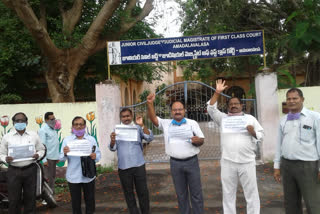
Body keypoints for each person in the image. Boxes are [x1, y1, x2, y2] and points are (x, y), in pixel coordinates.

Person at [207, 79, 264, 214]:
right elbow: (210, 108)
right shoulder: (223, 118)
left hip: (247, 161)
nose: (233, 106)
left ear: (241, 105)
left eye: (236, 103)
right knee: (228, 193)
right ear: (227, 106)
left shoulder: (250, 119)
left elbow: (261, 134)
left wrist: (253, 132)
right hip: (228, 161)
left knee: (251, 193)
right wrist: (217, 92)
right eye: (231, 104)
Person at [147, 93, 205, 214]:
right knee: (181, 194)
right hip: (175, 164)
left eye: (180, 109)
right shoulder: (166, 123)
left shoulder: (192, 123)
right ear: (171, 112)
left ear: (184, 110)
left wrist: (197, 141)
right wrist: (150, 103)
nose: (177, 112)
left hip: (192, 162)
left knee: (196, 194)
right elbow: (153, 119)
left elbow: (201, 140)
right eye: (175, 110)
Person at [274, 88, 320, 214]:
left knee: (313, 202)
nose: (291, 101)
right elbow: (279, 144)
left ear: (302, 99)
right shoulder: (283, 120)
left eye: (295, 98)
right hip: (287, 166)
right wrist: (277, 166)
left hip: (308, 166)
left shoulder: (315, 117)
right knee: (291, 203)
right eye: (289, 99)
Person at [109, 108, 154, 214]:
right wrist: (112, 141)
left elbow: (149, 138)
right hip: (123, 167)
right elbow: (112, 148)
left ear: (131, 116)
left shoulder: (138, 128)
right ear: (120, 118)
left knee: (143, 192)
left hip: (138, 165)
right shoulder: (117, 130)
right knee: (128, 193)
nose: (126, 118)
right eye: (123, 116)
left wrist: (142, 125)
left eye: (128, 116)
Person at [0, 112, 46, 214]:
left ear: (27, 122)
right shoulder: (7, 137)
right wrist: (5, 159)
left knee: (30, 198)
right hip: (13, 171)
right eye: (17, 121)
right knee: (14, 199)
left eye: (22, 120)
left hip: (30, 170)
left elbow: (41, 150)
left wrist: (38, 155)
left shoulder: (34, 135)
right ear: (13, 122)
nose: (20, 122)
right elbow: (1, 154)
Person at [60, 116, 101, 214]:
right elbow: (61, 159)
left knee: (90, 201)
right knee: (75, 203)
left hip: (88, 176)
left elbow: (98, 156)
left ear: (85, 126)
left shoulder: (91, 140)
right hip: (73, 176)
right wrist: (65, 153)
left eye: (81, 124)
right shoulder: (67, 140)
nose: (78, 126)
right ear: (72, 126)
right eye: (76, 124)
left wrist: (95, 156)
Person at [38, 112, 60, 195]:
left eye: (54, 119)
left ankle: (51, 195)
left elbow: (54, 143)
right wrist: (44, 160)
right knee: (47, 178)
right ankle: (46, 197)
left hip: (53, 157)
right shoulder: (43, 130)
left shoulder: (53, 129)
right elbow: (42, 146)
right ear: (46, 120)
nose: (54, 120)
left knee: (52, 177)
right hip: (48, 158)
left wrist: (57, 156)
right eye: (52, 119)